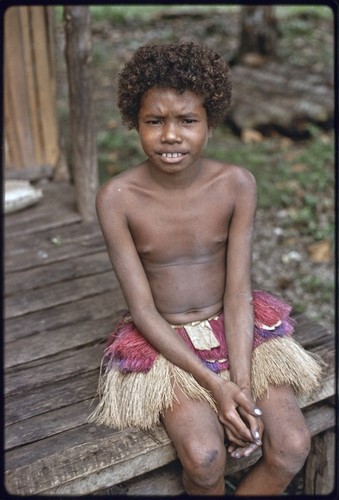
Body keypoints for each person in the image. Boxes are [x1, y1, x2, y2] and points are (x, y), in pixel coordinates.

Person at [89, 42, 324, 495]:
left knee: (293, 444)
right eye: (154, 121)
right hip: (166, 341)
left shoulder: (236, 184)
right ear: (134, 122)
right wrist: (214, 387)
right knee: (204, 458)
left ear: (210, 123)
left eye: (187, 121)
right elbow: (142, 310)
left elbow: (238, 292)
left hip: (239, 331)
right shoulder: (118, 198)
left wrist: (239, 383)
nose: (170, 135)